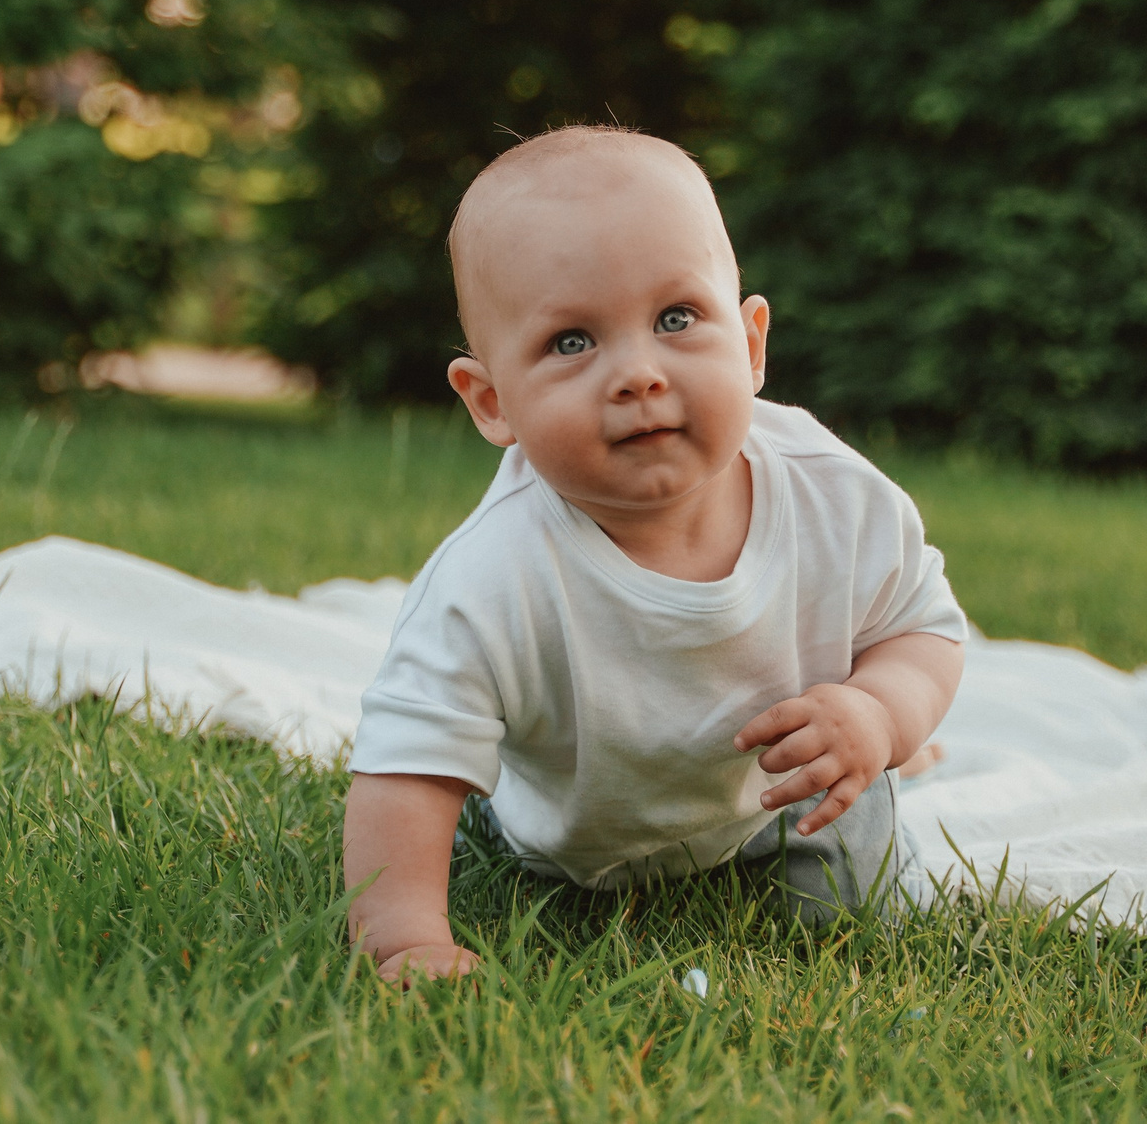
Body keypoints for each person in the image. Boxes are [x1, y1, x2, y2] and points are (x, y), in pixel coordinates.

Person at [342, 126, 970, 983]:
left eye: (677, 318)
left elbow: (921, 628)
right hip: (565, 835)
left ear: (750, 345)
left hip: (772, 801)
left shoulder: (834, 496)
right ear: (492, 402)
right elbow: (406, 765)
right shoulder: (492, 578)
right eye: (572, 341)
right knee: (481, 816)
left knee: (863, 901)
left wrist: (880, 713)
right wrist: (404, 936)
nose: (638, 372)